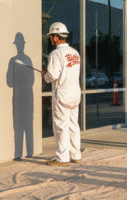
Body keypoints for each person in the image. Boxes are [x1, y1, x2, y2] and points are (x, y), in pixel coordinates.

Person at [42, 22, 82, 166]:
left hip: (62, 94)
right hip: (75, 94)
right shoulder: (75, 53)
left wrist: (45, 76)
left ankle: (62, 158)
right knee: (73, 126)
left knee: (61, 127)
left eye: (52, 37)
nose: (51, 40)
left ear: (56, 37)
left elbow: (53, 75)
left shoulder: (55, 53)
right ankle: (76, 155)